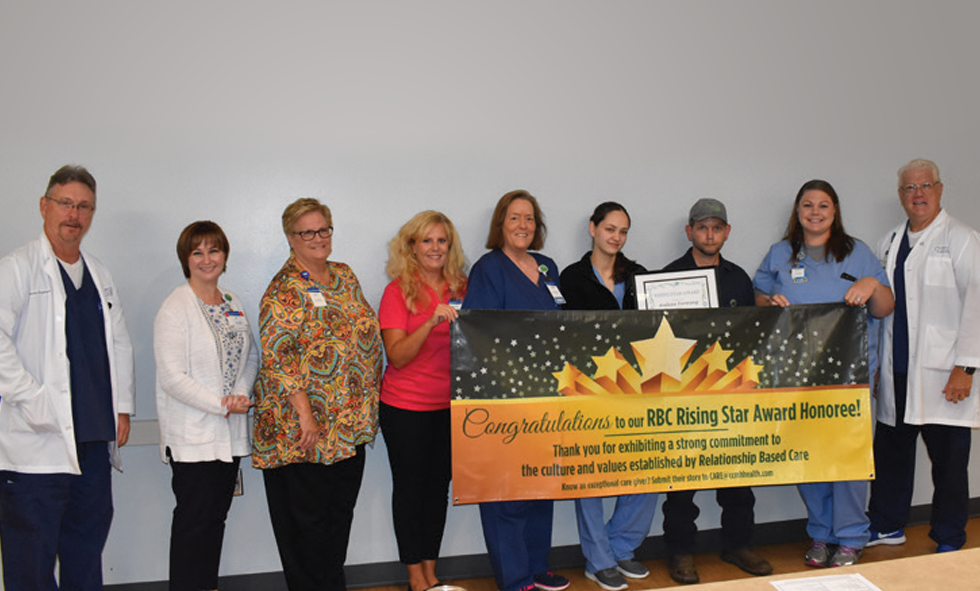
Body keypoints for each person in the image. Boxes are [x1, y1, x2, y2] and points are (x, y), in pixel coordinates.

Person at [0, 165, 135, 590]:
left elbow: (119, 344)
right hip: (35, 447)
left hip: (92, 442)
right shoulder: (17, 268)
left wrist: (122, 407)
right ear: (44, 205)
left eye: (84, 207)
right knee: (31, 565)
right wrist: (34, 400)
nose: (74, 215)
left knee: (85, 555)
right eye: (65, 203)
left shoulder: (99, 273)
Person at [753, 180, 894, 569]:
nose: (815, 212)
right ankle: (821, 533)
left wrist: (873, 285)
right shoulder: (781, 254)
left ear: (835, 212)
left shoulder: (857, 253)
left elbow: (884, 308)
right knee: (810, 457)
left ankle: (850, 537)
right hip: (797, 377)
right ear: (797, 211)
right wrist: (769, 302)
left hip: (849, 378)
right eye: (808, 205)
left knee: (847, 459)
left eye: (824, 206)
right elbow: (758, 298)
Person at [252, 198, 383, 591]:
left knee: (338, 518)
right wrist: (306, 415)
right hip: (304, 431)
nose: (318, 238)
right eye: (307, 232)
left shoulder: (344, 275)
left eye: (323, 229)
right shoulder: (283, 290)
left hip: (348, 425)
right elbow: (279, 356)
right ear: (290, 237)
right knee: (305, 528)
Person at [867, 159, 980, 553]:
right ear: (900, 195)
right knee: (891, 453)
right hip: (897, 371)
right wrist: (878, 365)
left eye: (926, 185)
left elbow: (977, 306)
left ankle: (949, 536)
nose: (918, 193)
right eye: (909, 187)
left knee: (949, 463)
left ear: (940, 189)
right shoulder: (890, 240)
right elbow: (886, 309)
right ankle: (886, 525)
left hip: (944, 374)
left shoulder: (963, 239)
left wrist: (966, 367)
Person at [660, 198, 772, 584]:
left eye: (717, 228)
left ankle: (738, 544)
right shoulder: (667, 278)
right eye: (702, 228)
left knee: (737, 477)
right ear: (689, 232)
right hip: (684, 395)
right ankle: (680, 552)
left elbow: (753, 334)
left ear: (727, 232)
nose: (710, 234)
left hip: (729, 393)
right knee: (681, 483)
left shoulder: (739, 278)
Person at [463, 190, 570, 591]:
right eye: (514, 219)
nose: (523, 226)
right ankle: (515, 578)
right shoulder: (488, 269)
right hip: (505, 398)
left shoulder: (548, 267)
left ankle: (538, 566)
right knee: (506, 490)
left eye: (529, 219)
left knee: (541, 482)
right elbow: (480, 333)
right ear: (500, 225)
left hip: (548, 395)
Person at [154, 220, 258, 591]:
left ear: (225, 255)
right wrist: (221, 404)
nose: (206, 258)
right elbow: (171, 376)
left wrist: (239, 396)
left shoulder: (232, 302)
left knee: (215, 521)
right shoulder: (175, 307)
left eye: (213, 250)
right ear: (186, 259)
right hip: (193, 437)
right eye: (197, 252)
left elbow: (250, 358)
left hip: (227, 437)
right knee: (192, 525)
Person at [559, 202, 657, 591]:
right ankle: (597, 559)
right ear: (593, 229)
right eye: (609, 229)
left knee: (647, 470)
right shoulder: (570, 278)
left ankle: (621, 545)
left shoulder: (639, 276)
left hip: (639, 389)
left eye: (623, 231)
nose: (615, 237)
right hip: (590, 390)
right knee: (591, 476)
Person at [379, 211, 467, 591]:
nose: (435, 248)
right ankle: (415, 574)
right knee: (411, 490)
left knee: (438, 489)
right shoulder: (398, 291)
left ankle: (432, 570)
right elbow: (396, 356)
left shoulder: (462, 287)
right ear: (411, 246)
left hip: (449, 408)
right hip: (405, 409)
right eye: (426, 240)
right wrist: (431, 321)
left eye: (441, 240)